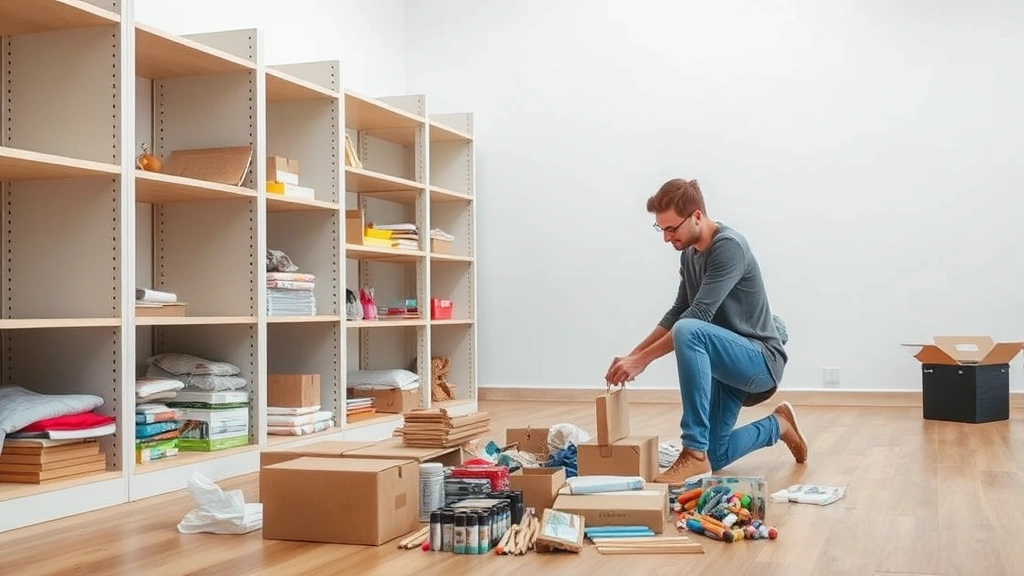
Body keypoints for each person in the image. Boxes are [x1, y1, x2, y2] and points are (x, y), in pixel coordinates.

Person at [604, 178, 808, 485]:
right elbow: (678, 309)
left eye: (672, 229)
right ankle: (778, 425)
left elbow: (696, 317)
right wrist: (633, 357)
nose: (666, 238)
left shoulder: (729, 247)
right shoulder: (689, 254)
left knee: (690, 329)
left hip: (760, 360)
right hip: (726, 361)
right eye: (661, 229)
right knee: (719, 455)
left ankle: (693, 452)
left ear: (697, 216)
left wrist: (643, 360)